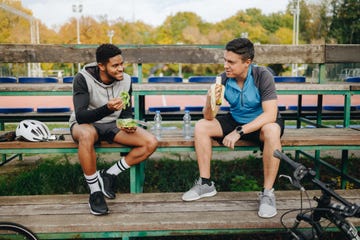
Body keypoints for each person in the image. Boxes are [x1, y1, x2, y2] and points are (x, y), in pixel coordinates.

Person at [182, 38, 284, 218]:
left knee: (272, 130)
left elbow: (270, 115)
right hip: (236, 119)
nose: (226, 66)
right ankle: (205, 183)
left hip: (261, 123)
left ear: (247, 62)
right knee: (202, 126)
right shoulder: (223, 79)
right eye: (225, 60)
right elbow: (209, 117)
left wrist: (239, 132)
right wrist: (210, 100)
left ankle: (267, 193)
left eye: (231, 62)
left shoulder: (262, 75)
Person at [69, 43, 158, 215]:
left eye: (122, 64)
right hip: (86, 125)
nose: (121, 69)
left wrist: (127, 122)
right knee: (87, 135)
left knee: (150, 142)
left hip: (112, 124)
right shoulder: (82, 78)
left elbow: (125, 111)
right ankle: (95, 191)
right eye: (115, 65)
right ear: (101, 66)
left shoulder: (126, 80)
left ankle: (109, 174)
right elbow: (81, 116)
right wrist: (107, 109)